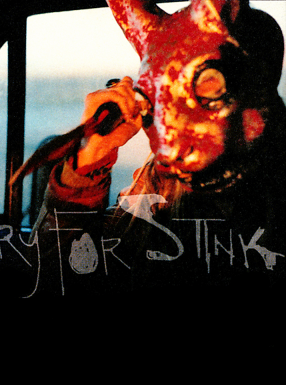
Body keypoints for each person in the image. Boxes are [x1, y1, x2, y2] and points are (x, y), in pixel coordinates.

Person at [24, 0, 286, 297]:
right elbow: (58, 281)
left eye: (208, 88)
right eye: (155, 102)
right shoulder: (154, 186)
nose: (167, 152)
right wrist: (90, 156)